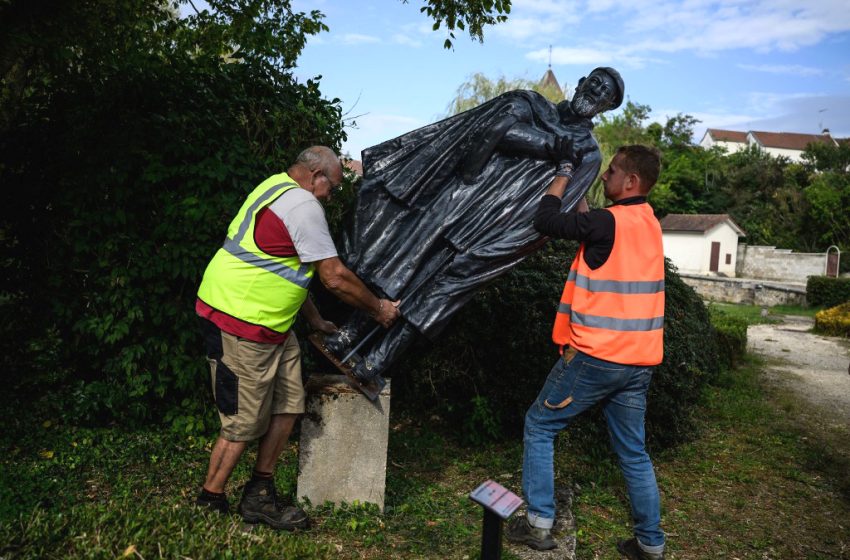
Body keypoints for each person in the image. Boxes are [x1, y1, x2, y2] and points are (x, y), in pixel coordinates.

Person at [325, 68, 625, 389]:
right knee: (403, 265)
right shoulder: (531, 103)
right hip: (460, 199)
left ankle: (376, 362)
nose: (594, 91)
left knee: (438, 295)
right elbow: (494, 130)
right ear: (580, 83)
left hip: (497, 228)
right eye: (593, 82)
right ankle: (349, 334)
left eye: (604, 91)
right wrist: (553, 144)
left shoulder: (589, 154)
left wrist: (507, 247)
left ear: (607, 106)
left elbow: (559, 209)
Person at [192, 146, 401, 529]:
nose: (330, 196)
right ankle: (211, 497)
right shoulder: (304, 207)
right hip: (240, 319)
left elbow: (284, 266)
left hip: (273, 323)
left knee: (290, 402)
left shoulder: (275, 186)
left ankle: (258, 493)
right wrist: (379, 309)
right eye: (332, 188)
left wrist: (316, 319)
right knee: (244, 420)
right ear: (315, 174)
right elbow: (333, 276)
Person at [505, 145, 666, 560]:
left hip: (596, 357)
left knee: (540, 426)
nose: (604, 176)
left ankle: (539, 523)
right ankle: (651, 544)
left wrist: (562, 172)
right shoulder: (647, 222)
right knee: (634, 452)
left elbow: (544, 219)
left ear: (630, 181)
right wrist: (581, 191)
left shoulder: (607, 223)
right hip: (639, 362)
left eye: (610, 172)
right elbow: (591, 224)